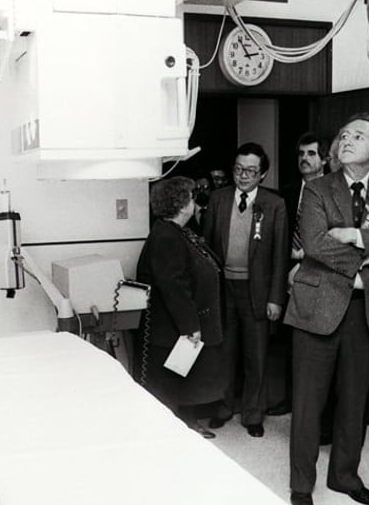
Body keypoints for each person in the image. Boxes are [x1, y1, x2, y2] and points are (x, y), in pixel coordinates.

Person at [284, 113, 369, 505]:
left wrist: (356, 235)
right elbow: (315, 244)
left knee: (354, 401)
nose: (346, 140)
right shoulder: (317, 189)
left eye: (358, 136)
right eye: (343, 135)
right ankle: (301, 483)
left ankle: (345, 476)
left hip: (367, 310)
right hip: (316, 307)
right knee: (308, 402)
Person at [202, 143, 288, 438]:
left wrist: (276, 298)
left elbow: (280, 255)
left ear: (262, 174)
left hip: (258, 291)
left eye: (250, 171)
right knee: (224, 352)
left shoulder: (274, 205)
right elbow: (206, 247)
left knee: (257, 355)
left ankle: (253, 412)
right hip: (223, 288)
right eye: (238, 169)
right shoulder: (217, 199)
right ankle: (224, 406)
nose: (243, 176)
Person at [136, 176, 226, 439]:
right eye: (192, 195)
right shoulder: (167, 236)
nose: (195, 200)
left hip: (180, 324)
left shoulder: (177, 231)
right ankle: (176, 431)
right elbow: (173, 285)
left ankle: (185, 424)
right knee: (172, 381)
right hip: (172, 327)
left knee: (184, 379)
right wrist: (190, 325)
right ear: (182, 202)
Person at [267, 132, 327, 418]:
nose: (305, 159)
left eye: (312, 154)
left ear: (325, 158)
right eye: (301, 154)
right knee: (289, 342)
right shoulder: (287, 194)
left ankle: (314, 407)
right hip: (286, 274)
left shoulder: (333, 193)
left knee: (315, 346)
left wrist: (306, 261)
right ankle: (290, 399)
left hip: (317, 276)